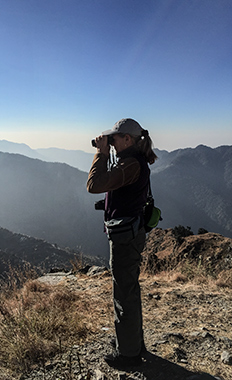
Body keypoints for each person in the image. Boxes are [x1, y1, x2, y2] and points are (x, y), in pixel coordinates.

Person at [86, 118, 158, 367]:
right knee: (128, 290)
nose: (111, 142)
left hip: (126, 237)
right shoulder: (132, 161)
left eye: (115, 138)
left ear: (128, 139)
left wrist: (100, 153)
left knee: (124, 293)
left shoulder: (130, 164)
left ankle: (128, 355)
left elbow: (93, 185)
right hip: (130, 231)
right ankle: (131, 342)